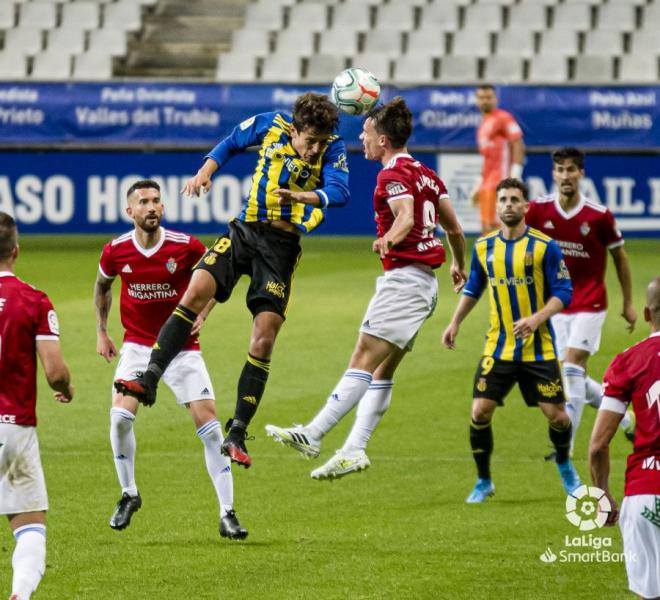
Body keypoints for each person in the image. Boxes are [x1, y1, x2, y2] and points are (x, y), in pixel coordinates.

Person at [115, 93, 350, 469]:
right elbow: (231, 142)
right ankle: (150, 378)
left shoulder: (334, 147)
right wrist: (206, 171)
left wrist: (300, 196)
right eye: (310, 141)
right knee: (195, 292)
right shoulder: (271, 124)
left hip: (281, 247)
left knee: (264, 336)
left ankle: (238, 432)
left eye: (321, 142)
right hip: (243, 231)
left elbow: (339, 192)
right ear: (294, 129)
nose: (315, 149)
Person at [265, 97, 466, 480]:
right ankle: (354, 449)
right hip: (423, 284)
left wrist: (389, 237)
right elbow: (454, 229)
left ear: (384, 140)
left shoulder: (391, 175)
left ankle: (313, 433)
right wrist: (459, 263)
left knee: (362, 356)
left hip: (404, 281)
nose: (362, 137)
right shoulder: (428, 174)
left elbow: (405, 216)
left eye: (367, 132)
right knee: (381, 370)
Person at [95, 180, 247, 540]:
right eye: (143, 202)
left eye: (156, 201)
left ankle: (227, 514)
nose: (152, 207)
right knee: (118, 418)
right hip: (136, 347)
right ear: (129, 211)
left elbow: (221, 276)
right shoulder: (115, 251)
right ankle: (129, 494)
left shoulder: (186, 246)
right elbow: (102, 286)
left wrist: (204, 312)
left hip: (182, 348)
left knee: (210, 428)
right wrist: (102, 331)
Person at [442, 178, 582, 504]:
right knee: (480, 412)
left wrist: (536, 319)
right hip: (499, 348)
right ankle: (483, 480)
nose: (507, 204)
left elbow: (564, 291)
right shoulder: (484, 247)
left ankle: (563, 463)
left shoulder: (545, 247)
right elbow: (474, 286)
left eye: (514, 199)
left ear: (525, 206)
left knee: (559, 417)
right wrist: (455, 322)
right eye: (502, 199)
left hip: (539, 348)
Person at [526, 147, 636, 459]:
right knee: (570, 375)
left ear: (581, 174)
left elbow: (620, 257)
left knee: (573, 365)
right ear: (553, 174)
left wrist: (628, 302)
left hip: (590, 304)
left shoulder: (598, 216)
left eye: (571, 170)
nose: (565, 176)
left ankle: (566, 446)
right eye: (560, 169)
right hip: (556, 306)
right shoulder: (538, 211)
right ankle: (625, 418)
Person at [0, 212, 74, 600]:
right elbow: (55, 372)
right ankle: (19, 596)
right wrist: (67, 387)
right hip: (13, 429)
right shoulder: (33, 300)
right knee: (30, 529)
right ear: (16, 249)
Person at [589, 276, 660, 600]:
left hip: (646, 493)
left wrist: (603, 496)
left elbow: (598, 444)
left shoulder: (628, 361)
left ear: (647, 314)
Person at [470, 84, 525, 235]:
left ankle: (504, 259)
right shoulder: (483, 124)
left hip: (501, 181)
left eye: (488, 97)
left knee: (499, 229)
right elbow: (487, 158)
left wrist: (515, 174)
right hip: (487, 182)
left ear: (495, 99)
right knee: (486, 229)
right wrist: (478, 184)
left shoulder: (503, 118)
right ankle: (489, 259)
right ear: (476, 100)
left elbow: (518, 143)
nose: (485, 101)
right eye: (481, 98)